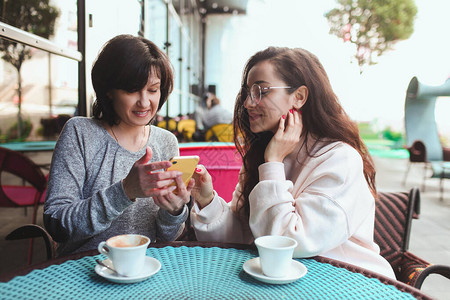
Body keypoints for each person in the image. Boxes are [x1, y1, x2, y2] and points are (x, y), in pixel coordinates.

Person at [190, 47, 395, 279]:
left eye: (261, 91)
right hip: (286, 282)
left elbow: (289, 243)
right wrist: (207, 199)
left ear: (299, 97)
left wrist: (274, 163)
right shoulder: (263, 155)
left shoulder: (340, 159)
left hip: (348, 281)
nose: (248, 103)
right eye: (248, 92)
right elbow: (241, 234)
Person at [44, 34, 193, 256]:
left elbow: (168, 237)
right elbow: (58, 225)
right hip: (84, 272)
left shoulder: (166, 141)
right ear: (108, 90)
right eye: (132, 90)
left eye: (152, 90)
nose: (144, 102)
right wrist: (124, 191)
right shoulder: (80, 133)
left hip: (146, 270)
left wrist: (174, 211)